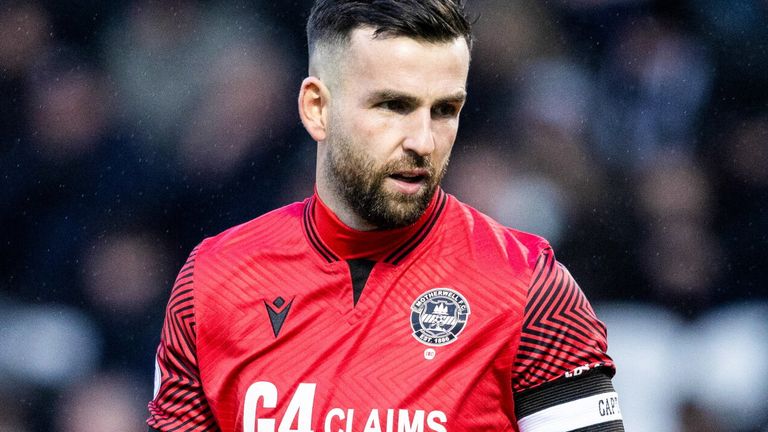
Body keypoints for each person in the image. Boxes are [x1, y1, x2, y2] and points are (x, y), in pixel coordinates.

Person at [147, 1, 625, 431]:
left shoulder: (529, 290)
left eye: (444, 110)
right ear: (317, 108)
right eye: (393, 106)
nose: (423, 139)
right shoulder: (214, 282)